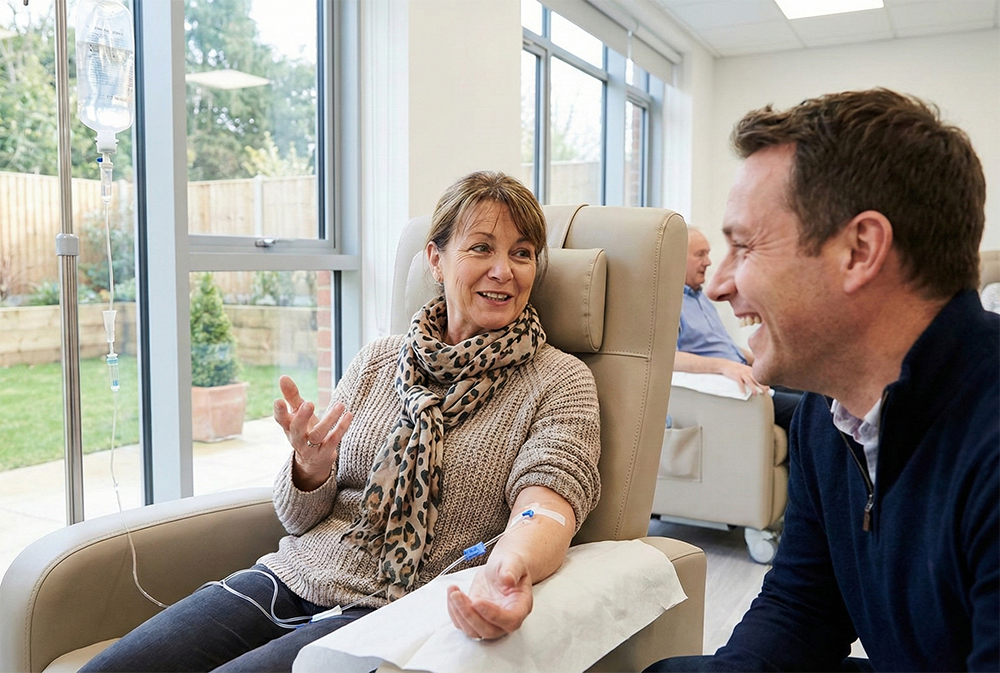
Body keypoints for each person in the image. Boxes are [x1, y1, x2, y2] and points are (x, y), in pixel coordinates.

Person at [80, 171, 602, 673]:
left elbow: (546, 506)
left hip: (388, 612)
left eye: (522, 253)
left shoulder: (558, 380)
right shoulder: (379, 359)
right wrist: (310, 469)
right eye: (481, 247)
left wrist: (509, 570)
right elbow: (300, 519)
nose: (503, 270)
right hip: (289, 576)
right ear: (436, 260)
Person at [645, 88, 1000, 672]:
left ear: (859, 251)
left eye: (745, 246)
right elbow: (804, 605)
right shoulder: (825, 415)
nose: (716, 285)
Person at [675, 226, 801, 432]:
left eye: (707, 253)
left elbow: (722, 346)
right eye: (700, 255)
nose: (708, 262)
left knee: (816, 396)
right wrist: (726, 366)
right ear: (677, 257)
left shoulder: (700, 298)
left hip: (747, 372)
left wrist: (760, 360)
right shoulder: (668, 303)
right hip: (733, 386)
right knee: (811, 411)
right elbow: (668, 358)